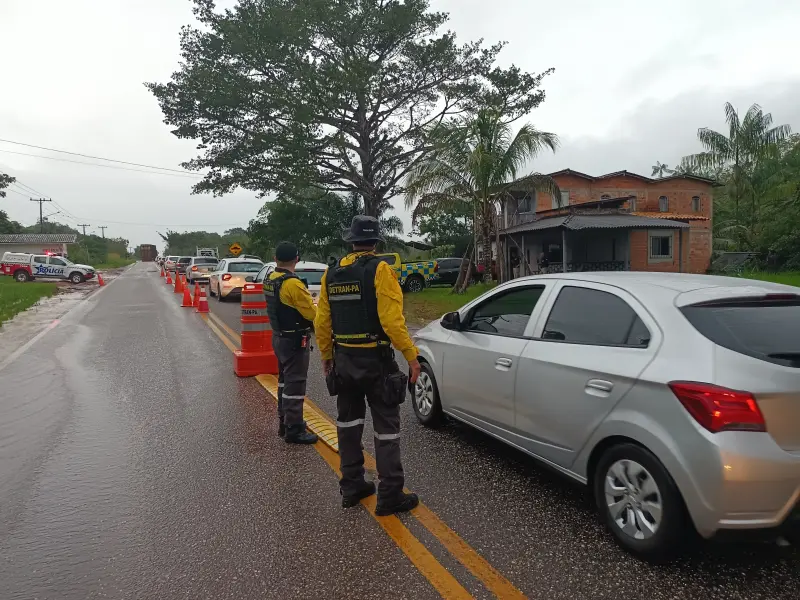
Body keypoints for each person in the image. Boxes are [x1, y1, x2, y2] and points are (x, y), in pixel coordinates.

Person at [315, 215, 421, 516]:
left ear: (351, 241)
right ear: (375, 242)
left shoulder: (332, 273)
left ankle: (352, 486)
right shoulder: (381, 270)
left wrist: (327, 356)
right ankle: (390, 495)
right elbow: (392, 322)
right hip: (376, 362)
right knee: (386, 429)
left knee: (348, 425)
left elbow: (322, 321)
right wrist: (411, 357)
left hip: (344, 360)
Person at [264, 241, 318, 444]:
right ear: (296, 259)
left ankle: (284, 421)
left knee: (284, 381)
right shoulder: (292, 284)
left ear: (275, 259)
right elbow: (312, 314)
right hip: (294, 341)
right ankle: (294, 429)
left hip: (279, 337)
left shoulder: (271, 279)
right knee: (295, 385)